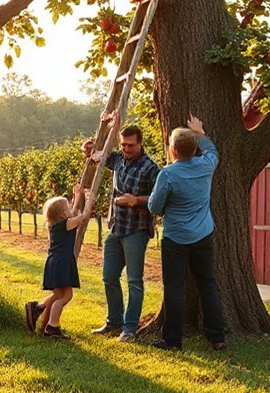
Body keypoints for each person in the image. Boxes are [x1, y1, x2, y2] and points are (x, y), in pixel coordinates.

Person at [147, 114, 227, 351]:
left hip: (176, 237)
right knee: (207, 284)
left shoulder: (168, 174)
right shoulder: (206, 165)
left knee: (174, 287)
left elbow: (154, 206)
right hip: (203, 234)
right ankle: (217, 337)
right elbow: (212, 151)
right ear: (195, 149)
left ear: (172, 149)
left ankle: (172, 340)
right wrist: (200, 132)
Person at [84, 113, 160, 342]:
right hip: (116, 227)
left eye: (131, 145)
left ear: (140, 143)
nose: (126, 148)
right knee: (108, 277)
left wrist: (136, 200)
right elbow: (99, 154)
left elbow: (159, 198)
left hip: (136, 229)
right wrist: (89, 149)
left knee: (134, 280)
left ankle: (129, 328)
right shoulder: (118, 159)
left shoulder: (150, 168)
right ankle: (113, 321)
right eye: (123, 144)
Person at [24, 184, 95, 339]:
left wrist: (77, 197)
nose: (71, 207)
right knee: (65, 296)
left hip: (53, 261)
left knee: (57, 294)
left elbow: (74, 212)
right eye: (68, 206)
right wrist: (89, 200)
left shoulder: (55, 225)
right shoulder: (68, 223)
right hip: (63, 262)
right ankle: (52, 326)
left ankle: (37, 308)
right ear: (63, 213)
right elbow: (84, 216)